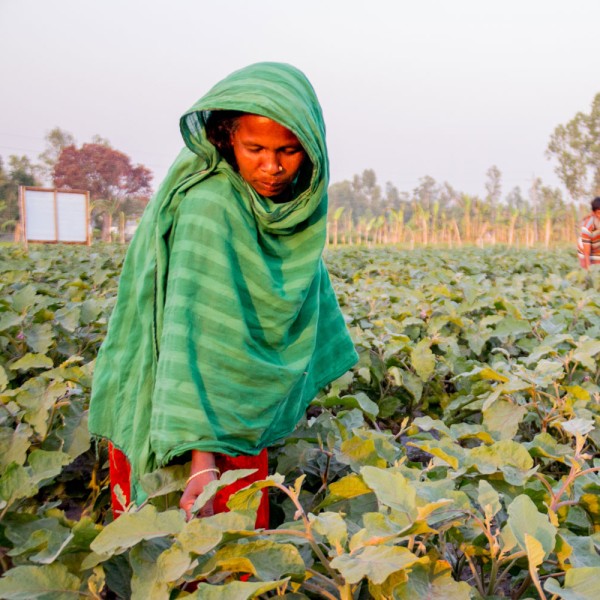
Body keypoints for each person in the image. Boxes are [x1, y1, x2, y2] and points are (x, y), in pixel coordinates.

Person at [88, 62, 358, 524]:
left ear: (312, 151)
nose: (271, 167)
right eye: (254, 148)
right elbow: (188, 339)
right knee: (180, 557)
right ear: (225, 138)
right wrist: (202, 463)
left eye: (289, 151)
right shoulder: (208, 206)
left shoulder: (282, 212)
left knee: (232, 570)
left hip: (235, 423)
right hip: (178, 426)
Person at [577, 196, 600, 269]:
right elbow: (587, 253)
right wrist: (589, 270)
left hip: (597, 247)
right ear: (594, 213)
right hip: (585, 250)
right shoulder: (587, 227)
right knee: (588, 272)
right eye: (599, 213)